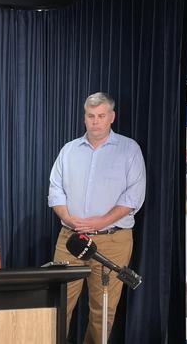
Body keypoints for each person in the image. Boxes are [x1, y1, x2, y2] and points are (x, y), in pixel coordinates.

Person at [48, 92, 146, 343]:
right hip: (71, 238)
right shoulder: (69, 150)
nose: (96, 121)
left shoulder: (129, 149)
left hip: (112, 241)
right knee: (58, 305)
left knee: (103, 310)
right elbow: (55, 189)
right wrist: (68, 217)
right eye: (91, 116)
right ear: (84, 118)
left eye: (101, 116)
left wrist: (101, 222)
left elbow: (133, 195)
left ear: (112, 117)